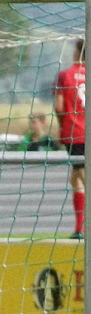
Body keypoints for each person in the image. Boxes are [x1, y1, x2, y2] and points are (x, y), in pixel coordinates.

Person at [55, 38, 85, 238]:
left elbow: (59, 107)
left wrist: (62, 126)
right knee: (76, 178)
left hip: (75, 134)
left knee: (82, 177)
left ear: (77, 53)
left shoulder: (65, 75)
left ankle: (82, 228)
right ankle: (80, 228)